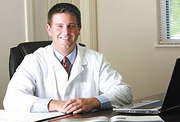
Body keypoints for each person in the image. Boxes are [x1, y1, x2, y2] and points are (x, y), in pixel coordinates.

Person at [3, 3, 132, 114]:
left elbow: (125, 92)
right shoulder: (33, 60)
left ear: (79, 29)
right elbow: (11, 99)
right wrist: (55, 104)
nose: (65, 32)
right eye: (59, 26)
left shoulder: (95, 59)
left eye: (71, 26)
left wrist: (93, 102)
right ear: (49, 29)